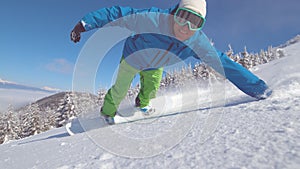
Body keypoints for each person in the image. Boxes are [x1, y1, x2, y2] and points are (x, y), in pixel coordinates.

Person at [70, 0, 272, 124]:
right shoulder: (153, 19)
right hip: (133, 57)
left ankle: (142, 103)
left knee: (151, 88)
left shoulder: (197, 42)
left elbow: (224, 63)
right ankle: (107, 112)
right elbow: (118, 14)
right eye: (183, 17)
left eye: (194, 23)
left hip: (155, 64)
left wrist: (258, 89)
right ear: (175, 13)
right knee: (120, 88)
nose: (185, 27)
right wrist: (83, 25)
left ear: (200, 27)